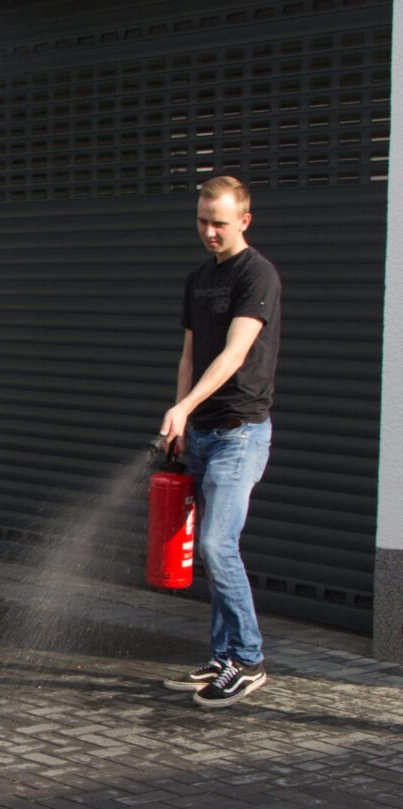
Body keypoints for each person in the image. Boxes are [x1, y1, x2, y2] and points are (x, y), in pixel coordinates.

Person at [159, 175, 280, 708]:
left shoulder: (259, 275)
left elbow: (233, 354)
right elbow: (190, 355)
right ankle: (222, 656)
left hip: (240, 433)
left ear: (245, 221)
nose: (209, 231)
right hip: (203, 434)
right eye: (203, 221)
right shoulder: (198, 277)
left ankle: (249, 660)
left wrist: (184, 406)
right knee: (215, 546)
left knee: (216, 544)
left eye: (220, 223)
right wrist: (182, 418)